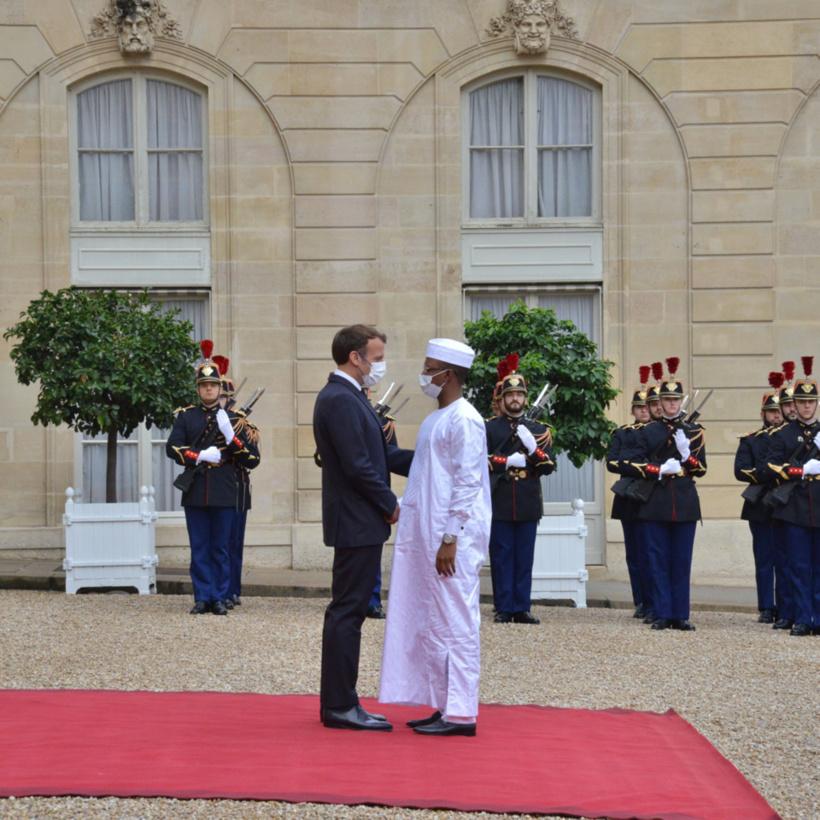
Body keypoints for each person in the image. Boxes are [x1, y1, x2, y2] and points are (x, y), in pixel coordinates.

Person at [379, 339, 491, 737]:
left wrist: (451, 537)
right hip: (427, 536)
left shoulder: (466, 419)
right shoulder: (435, 419)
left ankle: (461, 715)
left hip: (451, 539)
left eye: (430, 368)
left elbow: (467, 482)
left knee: (456, 622)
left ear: (449, 374)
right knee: (432, 620)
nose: (425, 375)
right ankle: (441, 704)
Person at [313, 324, 400, 732]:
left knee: (350, 611)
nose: (379, 366)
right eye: (376, 358)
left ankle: (343, 702)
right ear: (356, 357)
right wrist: (390, 503)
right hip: (357, 519)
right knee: (348, 612)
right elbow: (357, 465)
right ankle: (340, 706)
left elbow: (381, 455)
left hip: (359, 520)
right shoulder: (340, 398)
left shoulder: (350, 396)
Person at [166, 341, 261, 615]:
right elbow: (172, 447)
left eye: (213, 385)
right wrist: (199, 456)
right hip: (195, 489)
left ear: (220, 389)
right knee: (199, 548)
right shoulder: (186, 417)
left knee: (220, 548)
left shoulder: (235, 419)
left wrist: (231, 438)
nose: (209, 389)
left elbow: (253, 458)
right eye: (204, 385)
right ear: (198, 389)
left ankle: (219, 597)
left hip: (224, 490)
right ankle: (202, 597)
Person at [622, 357, 707, 631]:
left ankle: (679, 614)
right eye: (667, 400)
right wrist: (657, 469)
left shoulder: (693, 432)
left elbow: (702, 468)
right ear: (660, 401)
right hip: (654, 500)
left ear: (681, 401)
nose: (671, 404)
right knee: (656, 560)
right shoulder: (648, 432)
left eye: (675, 399)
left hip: (683, 500)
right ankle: (660, 612)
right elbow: (632, 464)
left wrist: (686, 455)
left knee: (681, 561)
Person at [485, 356, 555, 624]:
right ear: (502, 399)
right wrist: (505, 461)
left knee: (524, 557)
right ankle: (504, 606)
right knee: (501, 556)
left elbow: (548, 465)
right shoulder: (490, 427)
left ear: (526, 398)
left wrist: (533, 448)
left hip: (527, 498)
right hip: (500, 498)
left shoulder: (538, 430)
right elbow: (478, 460)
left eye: (519, 394)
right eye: (510, 394)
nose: (515, 398)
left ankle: (522, 607)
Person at [760, 357, 820, 637]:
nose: (806, 406)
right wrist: (800, 471)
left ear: (816, 403)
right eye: (802, 402)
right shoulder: (784, 434)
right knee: (798, 567)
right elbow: (770, 466)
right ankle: (801, 618)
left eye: (811, 402)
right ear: (793, 404)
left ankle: (817, 618)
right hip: (794, 507)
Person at [734, 375, 783, 623]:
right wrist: (765, 474)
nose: (776, 416)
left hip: (786, 503)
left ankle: (786, 605)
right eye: (771, 412)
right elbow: (740, 470)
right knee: (764, 557)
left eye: (779, 411)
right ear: (762, 414)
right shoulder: (751, 440)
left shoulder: (790, 437)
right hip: (761, 503)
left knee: (786, 558)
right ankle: (766, 605)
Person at [607, 367, 653, 620]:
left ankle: (653, 600)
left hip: (651, 496)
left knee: (651, 552)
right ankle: (640, 600)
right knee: (634, 554)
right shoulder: (623, 433)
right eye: (639, 407)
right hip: (628, 498)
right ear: (633, 411)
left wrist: (633, 463)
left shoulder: (659, 435)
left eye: (647, 407)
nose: (644, 411)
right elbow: (613, 462)